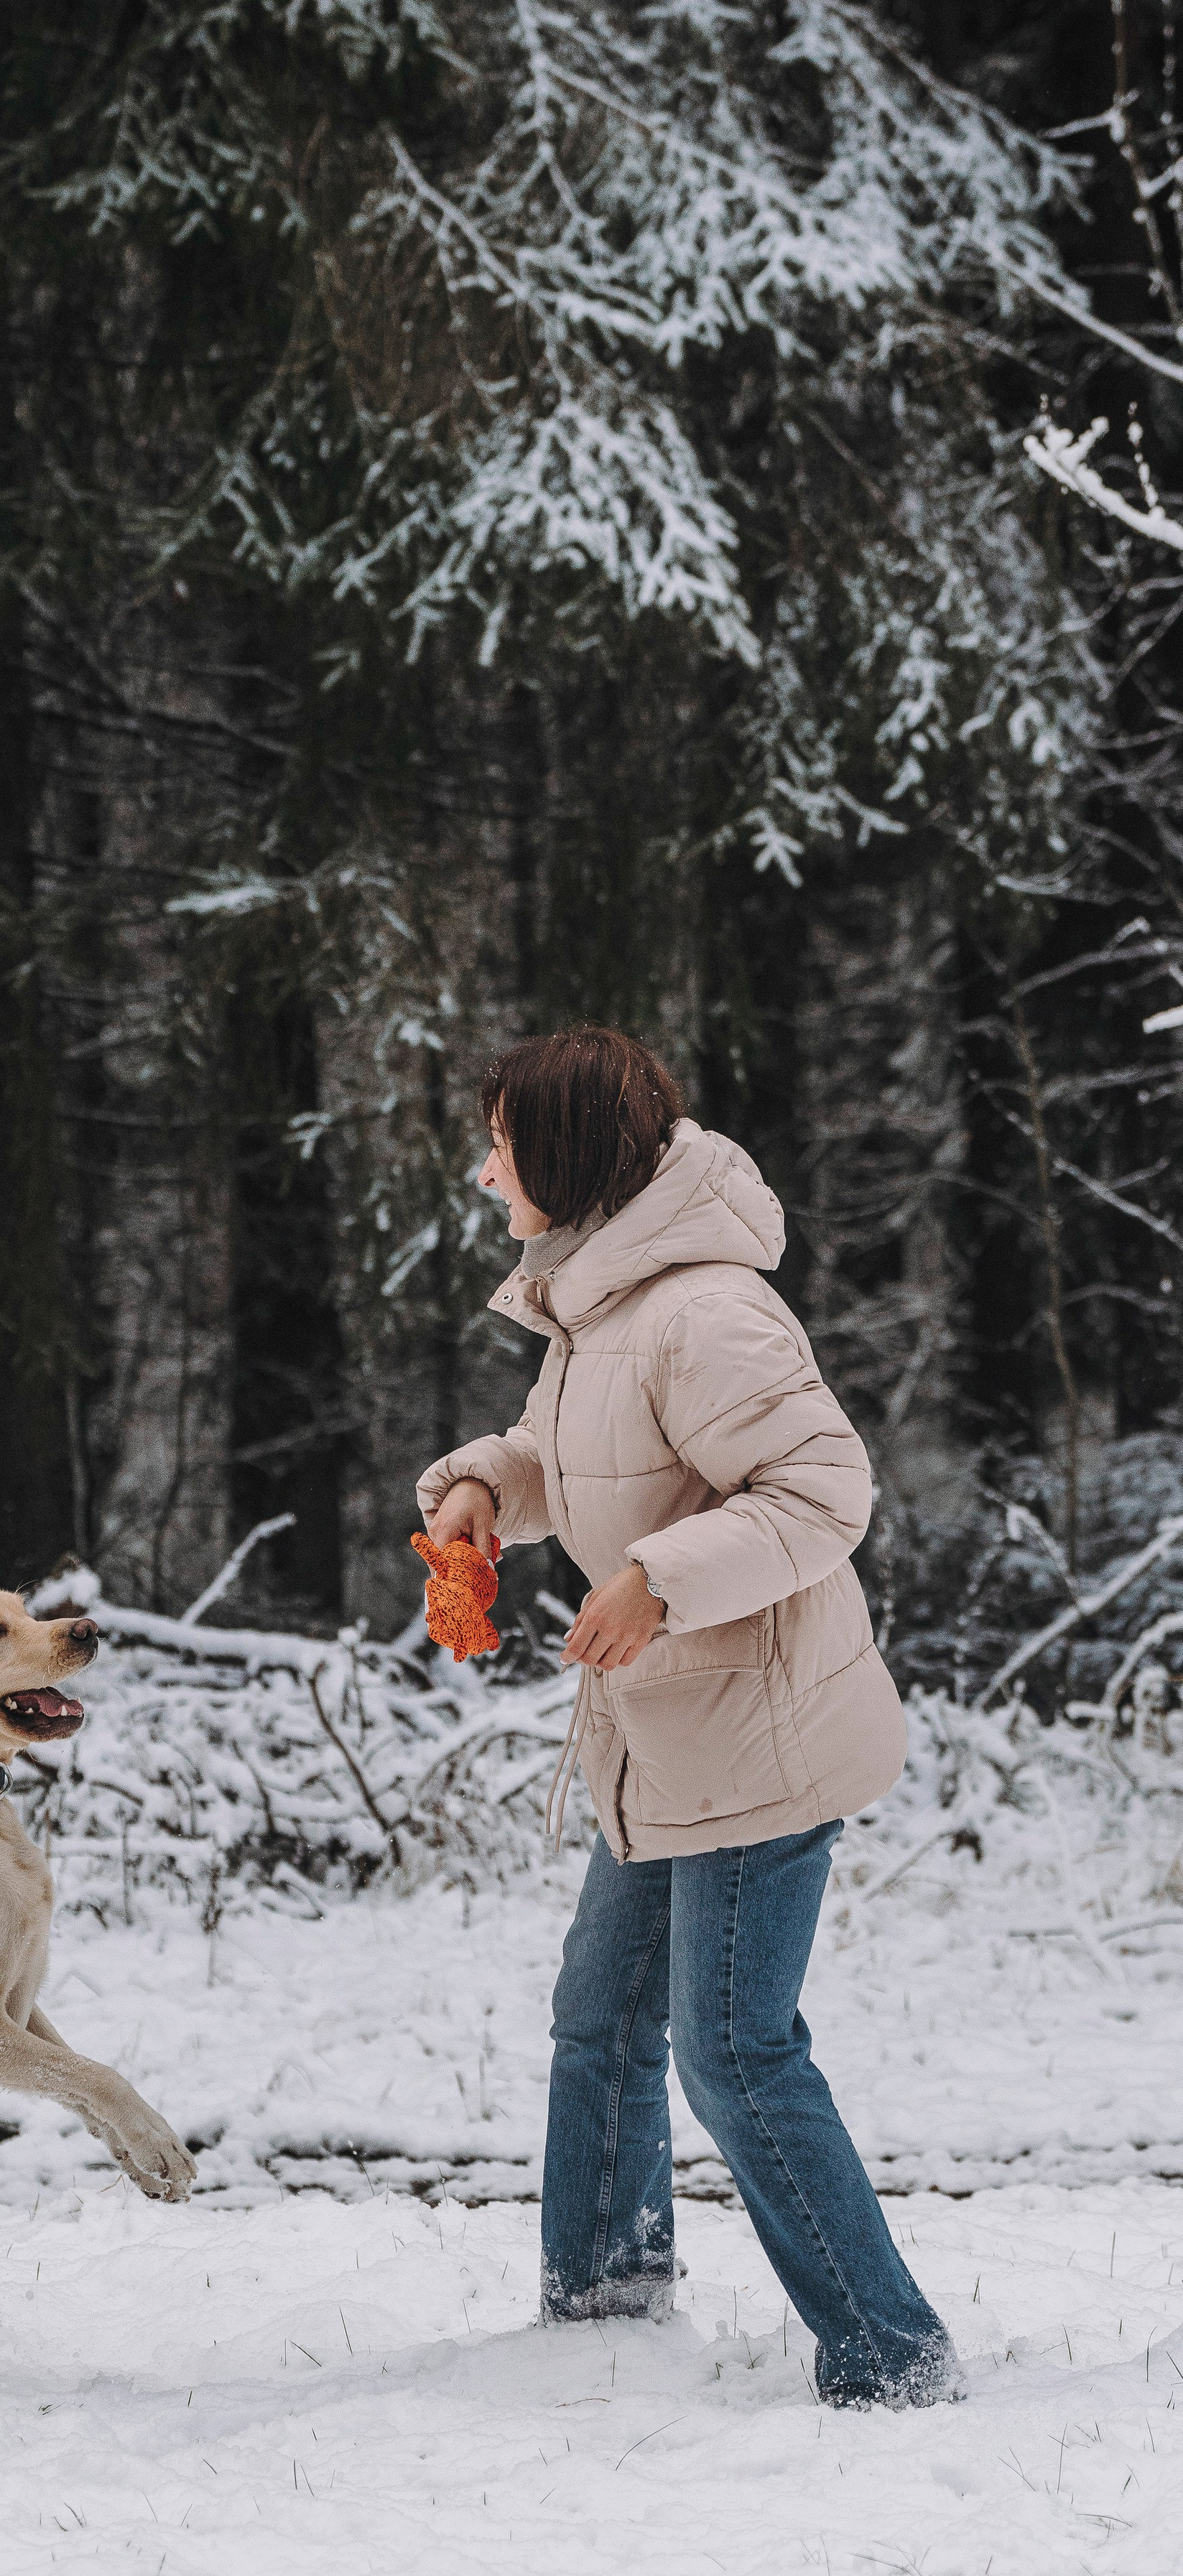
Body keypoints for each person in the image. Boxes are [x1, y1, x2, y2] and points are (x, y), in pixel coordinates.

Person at [417, 1026, 956, 2410]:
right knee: (600, 2018)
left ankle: (891, 2353)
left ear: (571, 1156)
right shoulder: (601, 1299)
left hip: (756, 1737)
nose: (487, 1172)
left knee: (733, 2044)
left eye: (504, 1145)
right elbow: (580, 1457)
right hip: (668, 1734)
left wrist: (657, 1582)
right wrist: (488, 1484)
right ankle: (604, 2311)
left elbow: (825, 1493)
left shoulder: (704, 1308)